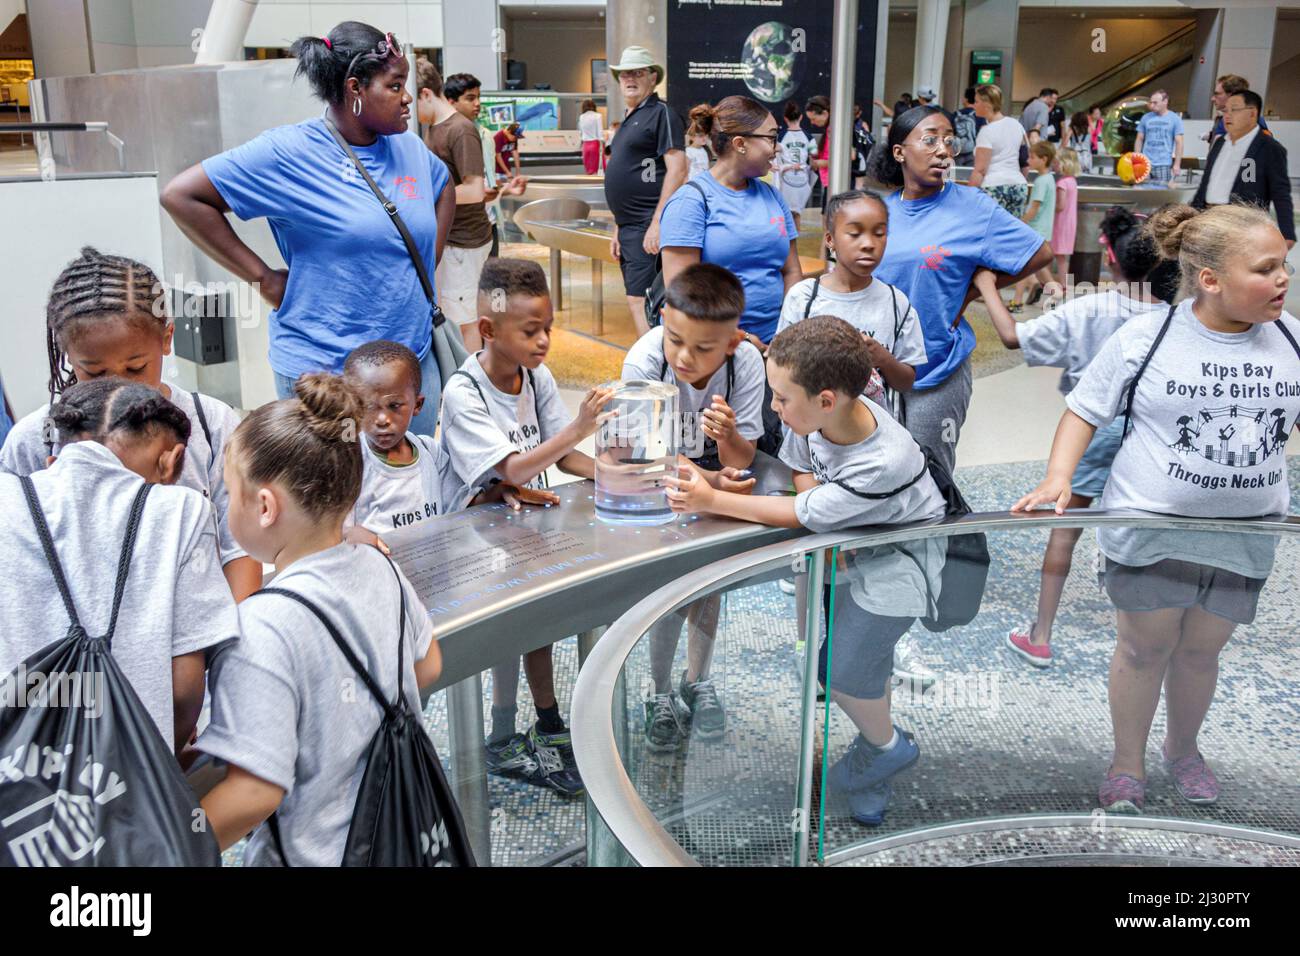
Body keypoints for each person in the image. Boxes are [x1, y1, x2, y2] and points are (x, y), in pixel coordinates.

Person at [1013, 202, 1299, 812]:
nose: (1283, 280)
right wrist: (1058, 478)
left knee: (1201, 651)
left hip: (1246, 535)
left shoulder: (1292, 339)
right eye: (1267, 268)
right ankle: (1126, 763)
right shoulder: (1149, 336)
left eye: (1286, 266)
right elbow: (1084, 410)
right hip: (1149, 531)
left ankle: (1183, 748)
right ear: (1210, 279)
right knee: (1145, 648)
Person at [665, 317, 948, 826]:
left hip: (902, 565)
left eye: (781, 399)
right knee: (865, 666)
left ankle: (886, 748)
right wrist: (816, 505)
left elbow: (800, 511)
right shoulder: (816, 419)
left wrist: (713, 499)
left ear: (825, 399)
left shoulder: (882, 459)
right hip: (851, 550)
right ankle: (874, 765)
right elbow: (804, 477)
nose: (773, 409)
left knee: (837, 671)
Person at [196, 374, 449, 863]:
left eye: (230, 493)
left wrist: (163, 846)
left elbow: (254, 794)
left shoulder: (262, 626)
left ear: (265, 506)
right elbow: (429, 664)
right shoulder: (382, 566)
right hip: (401, 833)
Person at [161, 23, 455, 434]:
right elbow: (183, 196)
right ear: (355, 88)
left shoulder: (408, 147)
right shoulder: (288, 152)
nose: (407, 98)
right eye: (394, 86)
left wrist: (425, 257)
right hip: (327, 374)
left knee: (409, 488)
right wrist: (261, 278)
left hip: (410, 370)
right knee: (330, 496)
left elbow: (444, 188)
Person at [440, 258, 613, 796]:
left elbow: (565, 459)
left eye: (548, 329)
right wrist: (582, 426)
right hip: (472, 539)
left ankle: (546, 726)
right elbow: (512, 468)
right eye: (530, 331)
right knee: (505, 639)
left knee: (538, 631)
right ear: (488, 330)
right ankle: (503, 733)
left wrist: (620, 474)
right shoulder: (462, 392)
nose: (543, 342)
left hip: (522, 528)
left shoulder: (534, 377)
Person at [0, 247, 262, 602]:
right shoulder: (36, 439)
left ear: (167, 338)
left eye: (136, 368)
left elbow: (240, 549)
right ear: (68, 356)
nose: (117, 386)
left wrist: (232, 641)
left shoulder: (213, 425)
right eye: (93, 372)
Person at [975, 207, 1173, 666]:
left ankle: (1041, 635)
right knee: (1145, 531)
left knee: (1065, 534)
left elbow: (1011, 338)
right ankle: (1152, 639)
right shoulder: (1172, 315)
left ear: (1110, 258)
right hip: (1148, 435)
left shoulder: (1089, 308)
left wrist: (987, 286)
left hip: (1093, 435)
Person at [0, 378, 239, 755]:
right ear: (172, 461)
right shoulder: (180, 511)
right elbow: (184, 688)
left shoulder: (7, 500)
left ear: (52, 462)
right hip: (128, 779)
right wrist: (164, 759)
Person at [621, 264, 765, 750]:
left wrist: (727, 442)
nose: (685, 357)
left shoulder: (745, 364)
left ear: (731, 341)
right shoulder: (643, 361)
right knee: (667, 589)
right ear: (663, 317)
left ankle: (696, 679)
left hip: (711, 482)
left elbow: (745, 457)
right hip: (660, 479)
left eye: (703, 348)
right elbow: (650, 453)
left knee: (709, 586)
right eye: (675, 339)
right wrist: (711, 480)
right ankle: (657, 689)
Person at [866, 106, 1054, 476]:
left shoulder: (973, 208)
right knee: (882, 471)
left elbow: (1039, 252)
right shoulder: (879, 212)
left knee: (931, 475)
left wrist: (972, 291)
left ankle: (942, 537)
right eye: (930, 139)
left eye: (949, 141)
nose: (943, 150)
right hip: (877, 371)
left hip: (937, 368)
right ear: (899, 152)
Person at [661, 96, 803, 455]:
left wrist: (787, 336)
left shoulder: (773, 196)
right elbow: (682, 294)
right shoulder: (691, 202)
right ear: (740, 143)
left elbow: (791, 269)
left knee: (775, 453)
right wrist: (740, 340)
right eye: (770, 138)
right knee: (728, 452)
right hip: (722, 355)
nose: (776, 148)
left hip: (779, 351)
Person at [341, 339, 558, 548]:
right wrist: (351, 534)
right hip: (381, 578)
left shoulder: (430, 453)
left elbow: (461, 502)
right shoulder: (350, 463)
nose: (382, 419)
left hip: (432, 577)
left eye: (395, 405)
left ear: (417, 405)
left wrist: (500, 491)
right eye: (368, 406)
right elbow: (331, 529)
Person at [778, 189, 927, 409]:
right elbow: (780, 369)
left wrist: (883, 359)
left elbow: (906, 382)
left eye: (879, 233)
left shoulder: (897, 303)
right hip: (809, 436)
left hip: (874, 438)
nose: (868, 244)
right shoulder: (804, 298)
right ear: (830, 239)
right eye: (855, 233)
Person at [422, 65, 523, 353]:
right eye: (470, 97)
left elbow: (474, 188)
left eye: (477, 97)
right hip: (458, 237)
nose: (477, 103)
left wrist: (421, 197)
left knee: (467, 317)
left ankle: (471, 386)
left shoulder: (463, 131)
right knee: (462, 312)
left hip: (468, 238)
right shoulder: (437, 130)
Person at [604, 45, 687, 335]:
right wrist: (618, 226)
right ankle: (652, 365)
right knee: (636, 299)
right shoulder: (630, 118)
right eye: (625, 73)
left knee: (643, 301)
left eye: (638, 72)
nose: (630, 78)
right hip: (630, 226)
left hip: (646, 223)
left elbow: (678, 167)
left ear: (653, 77)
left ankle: (653, 370)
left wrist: (657, 222)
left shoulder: (661, 113)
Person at [1192, 90, 1295, 248]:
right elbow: (1206, 184)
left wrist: (1287, 233)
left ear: (1252, 114)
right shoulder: (1219, 144)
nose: (1227, 115)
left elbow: (1280, 192)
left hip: (1242, 227)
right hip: (1208, 220)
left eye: (1234, 109)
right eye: (1226, 110)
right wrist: (1192, 214)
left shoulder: (1269, 148)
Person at [967, 84, 1030, 217]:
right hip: (1018, 186)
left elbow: (980, 170)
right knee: (1012, 233)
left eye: (977, 101)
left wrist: (968, 196)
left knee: (991, 233)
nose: (974, 105)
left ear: (987, 104)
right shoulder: (1016, 125)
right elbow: (1024, 161)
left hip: (993, 186)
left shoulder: (987, 131)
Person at [1011, 142, 1059, 311]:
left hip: (1035, 230)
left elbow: (1034, 207)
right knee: (1039, 268)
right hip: (1043, 230)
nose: (1028, 160)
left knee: (1024, 266)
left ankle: (1017, 301)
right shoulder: (1050, 179)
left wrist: (1021, 222)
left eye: (1032, 157)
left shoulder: (1041, 181)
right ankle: (1056, 292)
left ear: (1044, 159)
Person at [776, 100, 814, 230]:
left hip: (786, 178)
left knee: (786, 213)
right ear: (801, 117)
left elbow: (774, 152)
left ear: (785, 118)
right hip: (802, 179)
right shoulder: (809, 137)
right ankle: (797, 242)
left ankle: (787, 242)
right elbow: (814, 153)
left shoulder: (780, 137)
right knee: (797, 213)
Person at [1134, 90, 1184, 185]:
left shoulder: (1174, 119)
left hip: (1163, 164)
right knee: (1142, 191)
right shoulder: (1146, 118)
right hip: (1146, 163)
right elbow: (1139, 139)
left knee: (1161, 193)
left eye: (1155, 102)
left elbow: (1179, 142)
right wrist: (1137, 159)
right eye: (1151, 102)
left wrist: (1177, 164)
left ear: (1165, 101)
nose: (1152, 105)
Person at [1207, 75, 1270, 145]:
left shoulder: (1254, 121)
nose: (1212, 99)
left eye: (1217, 94)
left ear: (1232, 95)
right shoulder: (1222, 119)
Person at [1051, 148, 1081, 290]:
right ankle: (1064, 284)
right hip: (1070, 223)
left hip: (1060, 224)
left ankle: (1051, 282)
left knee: (1054, 254)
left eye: (1056, 162)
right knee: (1062, 257)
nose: (1054, 165)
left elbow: (1060, 205)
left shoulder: (1062, 183)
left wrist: (1048, 206)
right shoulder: (1072, 181)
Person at [805, 95, 832, 207]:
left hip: (832, 182)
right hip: (828, 181)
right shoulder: (829, 129)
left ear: (825, 114)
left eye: (813, 118)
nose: (812, 123)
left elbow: (845, 158)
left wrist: (820, 163)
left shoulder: (832, 130)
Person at [953, 88, 980, 167]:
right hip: (973, 152)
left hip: (958, 151)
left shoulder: (956, 114)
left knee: (957, 175)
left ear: (966, 99)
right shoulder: (979, 115)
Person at [578, 98, 605, 175]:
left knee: (588, 170)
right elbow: (600, 132)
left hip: (585, 145)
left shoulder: (581, 117)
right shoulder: (598, 116)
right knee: (596, 170)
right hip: (595, 144)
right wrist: (603, 144)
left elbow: (581, 132)